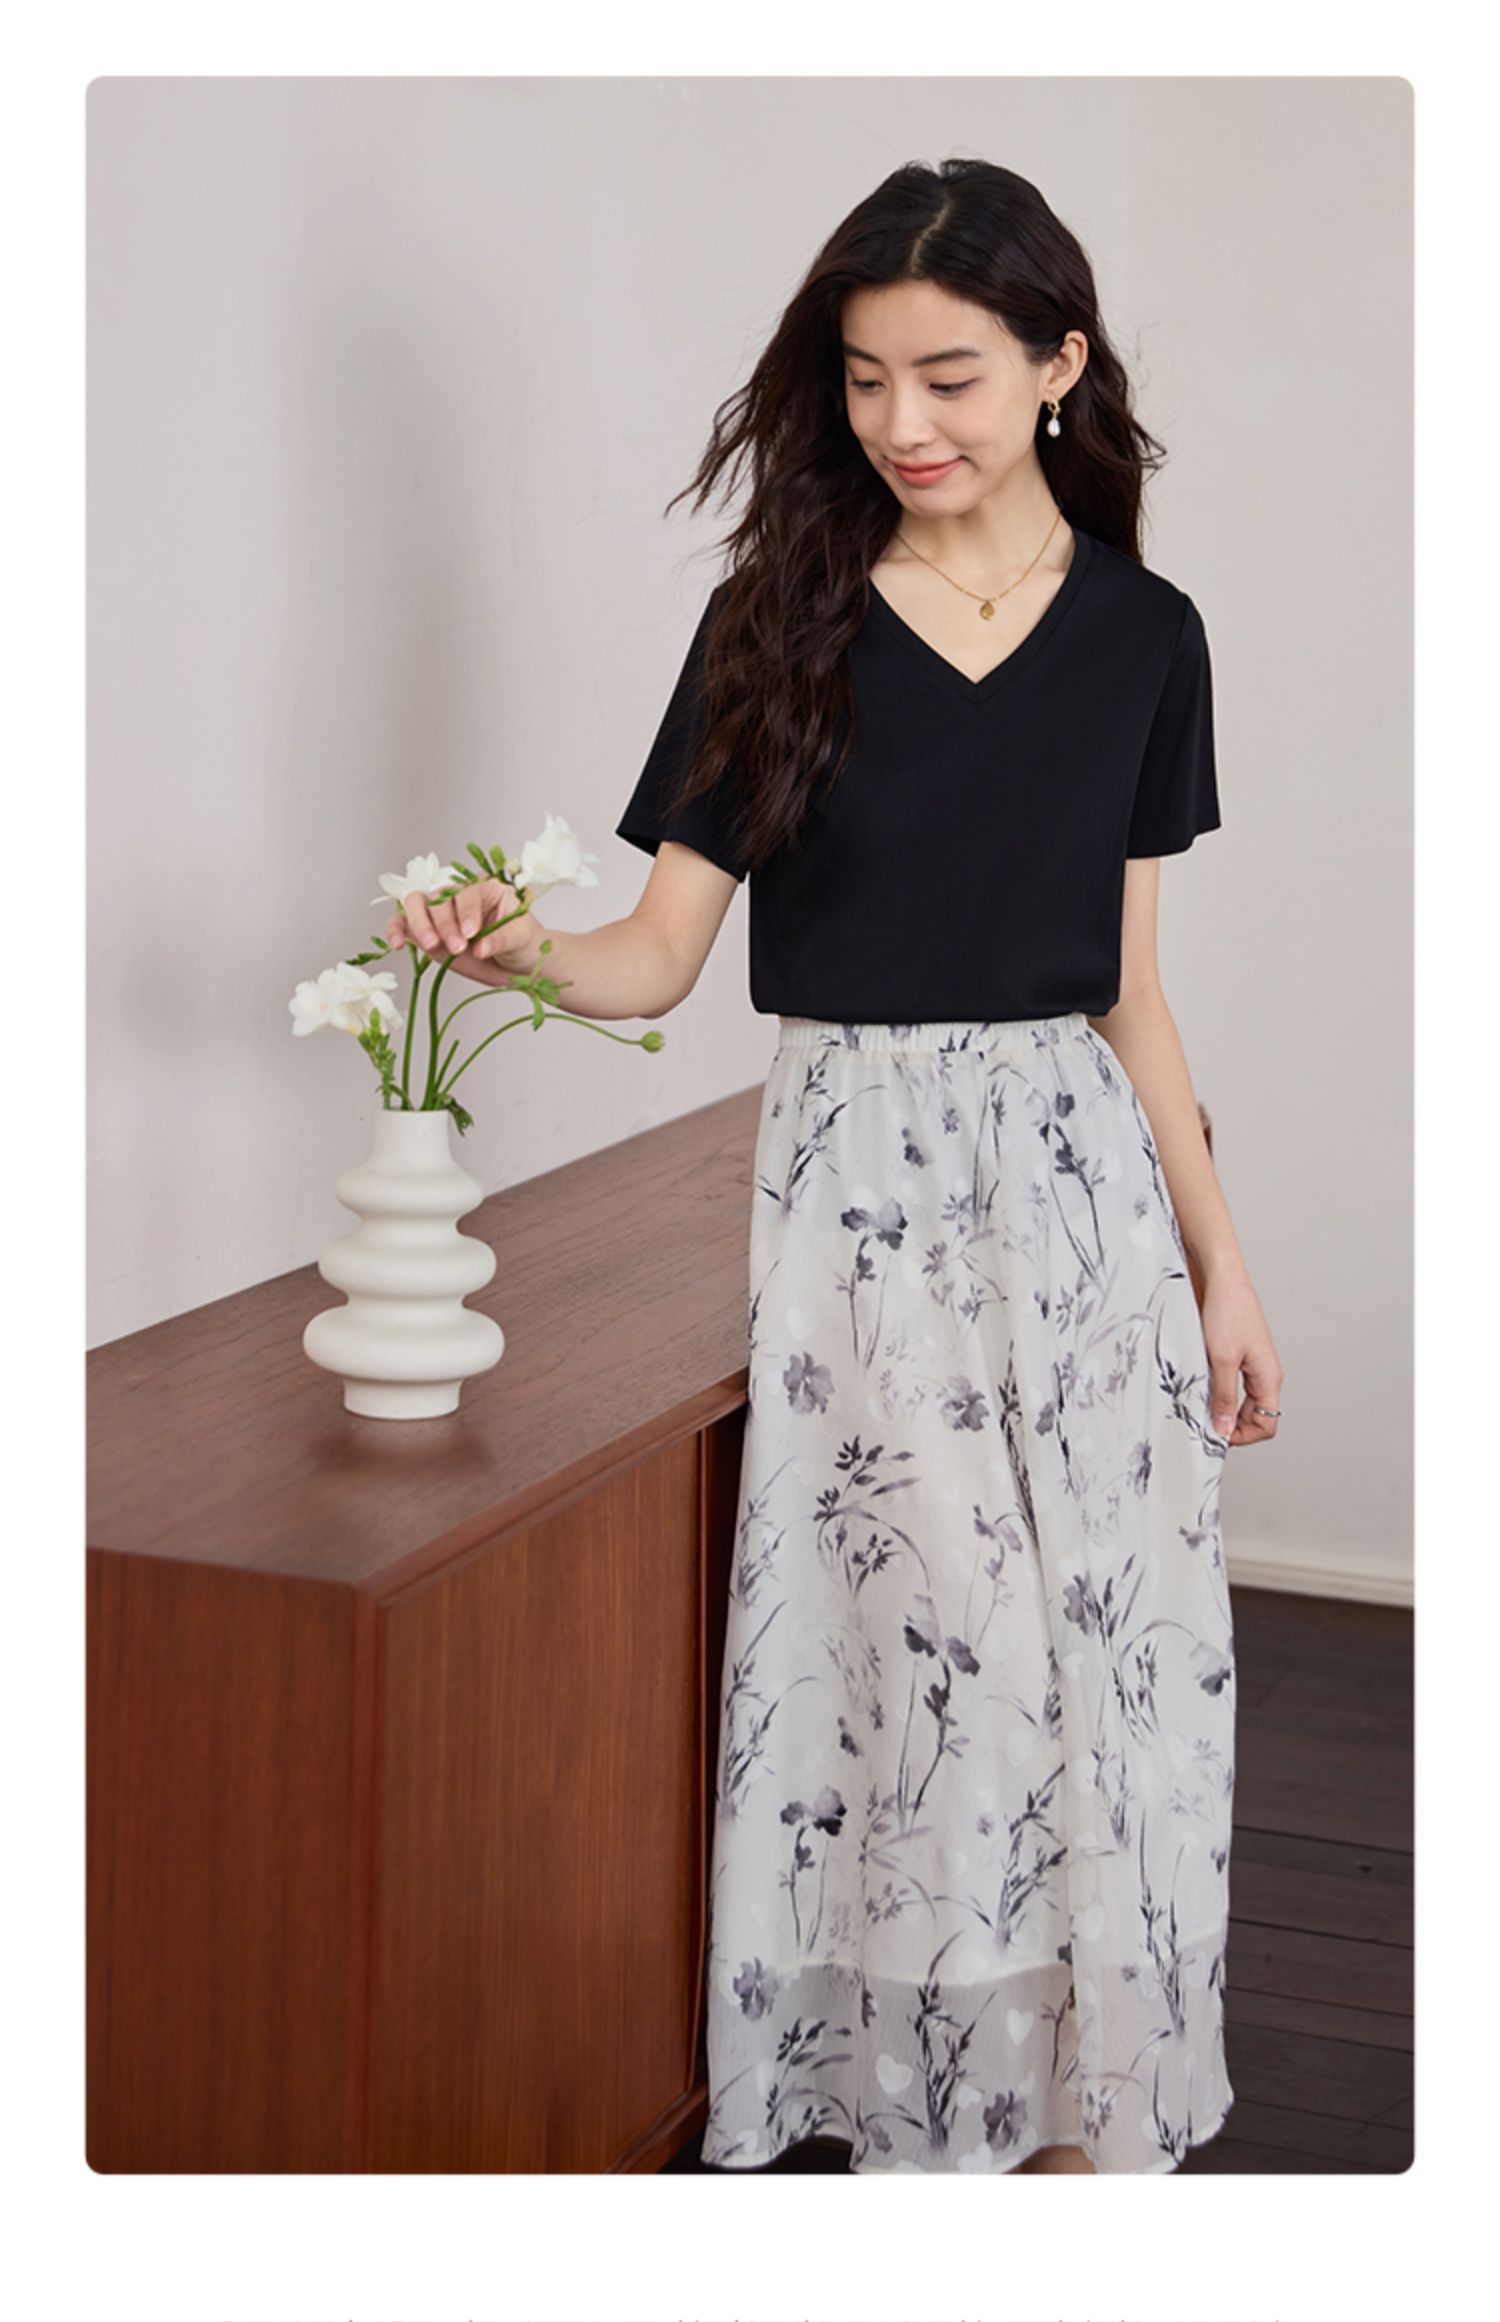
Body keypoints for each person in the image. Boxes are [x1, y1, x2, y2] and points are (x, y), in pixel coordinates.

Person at [388, 156, 1284, 2177]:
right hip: (862, 1183)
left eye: (950, 376)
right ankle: (939, 2104)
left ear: (1059, 363)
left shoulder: (1148, 637)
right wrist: (510, 943)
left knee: (1107, 1641)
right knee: (937, 1645)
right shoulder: (776, 620)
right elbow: (652, 960)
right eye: (867, 379)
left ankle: (1078, 2102)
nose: (903, 423)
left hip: (1082, 1182)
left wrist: (1220, 1262)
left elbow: (1132, 992)